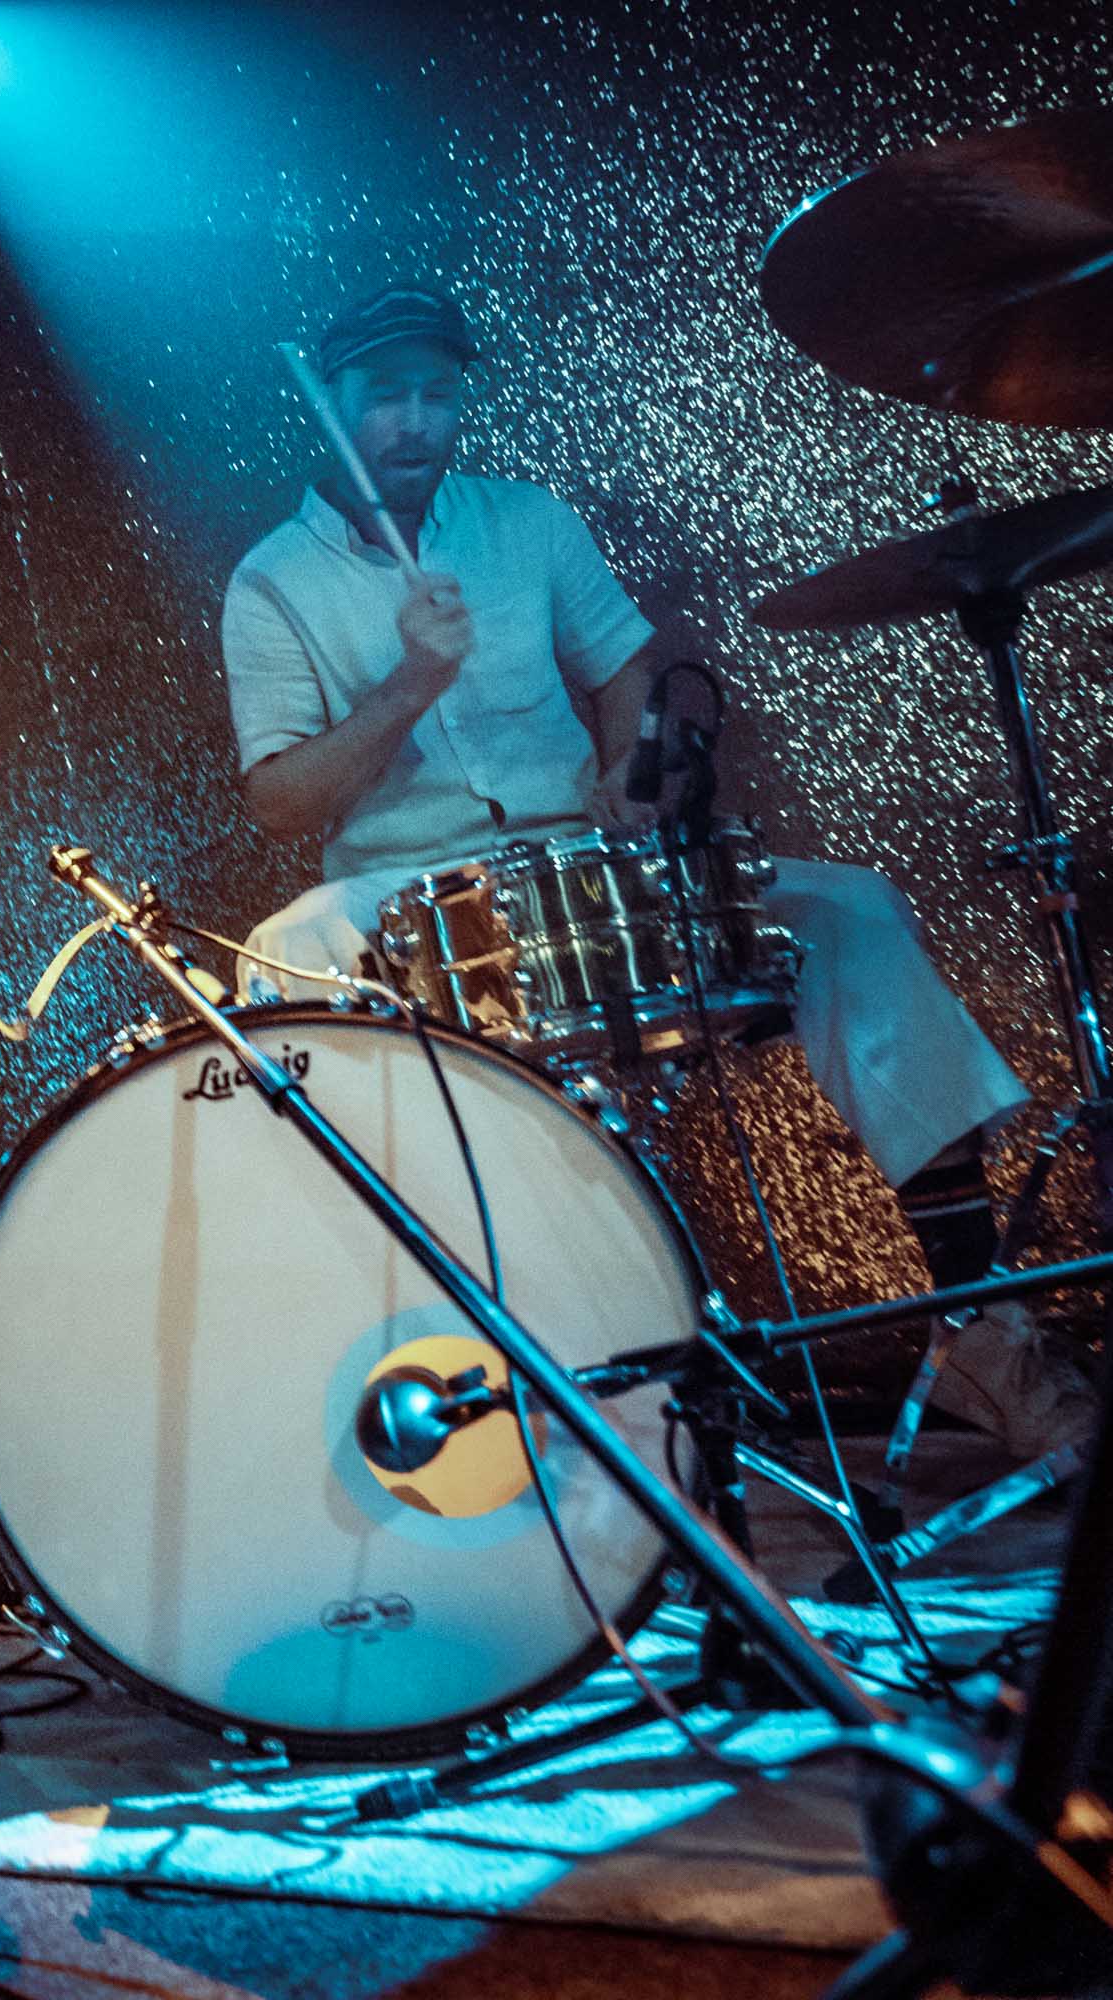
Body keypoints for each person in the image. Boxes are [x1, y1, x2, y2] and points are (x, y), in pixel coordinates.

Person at [220, 283, 1090, 1462]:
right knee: (288, 951)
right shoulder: (271, 582)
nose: (418, 421)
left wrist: (632, 770)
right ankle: (380, 1346)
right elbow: (280, 802)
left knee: (855, 912)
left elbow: (626, 668)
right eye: (387, 399)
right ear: (331, 408)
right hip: (408, 885)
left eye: (438, 393)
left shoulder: (526, 522)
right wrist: (407, 688)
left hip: (583, 864)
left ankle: (978, 1327)